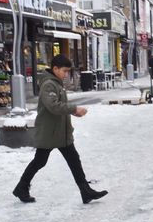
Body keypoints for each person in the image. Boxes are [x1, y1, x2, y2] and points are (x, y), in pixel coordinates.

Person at [12, 55, 108, 204]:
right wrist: (74, 108)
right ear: (55, 68)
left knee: (74, 160)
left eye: (68, 72)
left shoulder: (57, 83)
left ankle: (85, 191)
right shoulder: (49, 84)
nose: (66, 74)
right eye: (64, 71)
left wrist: (72, 112)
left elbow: (59, 107)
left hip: (61, 132)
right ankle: (21, 187)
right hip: (50, 133)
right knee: (40, 161)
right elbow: (54, 106)